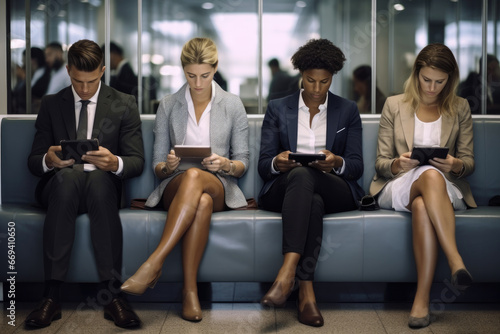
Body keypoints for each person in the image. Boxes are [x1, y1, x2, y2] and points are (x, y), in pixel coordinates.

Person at [120, 37, 249, 322]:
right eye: (191, 75)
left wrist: (226, 163)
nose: (198, 83)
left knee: (200, 184)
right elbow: (156, 166)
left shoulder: (232, 104)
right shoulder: (168, 104)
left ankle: (154, 263)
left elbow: (243, 162)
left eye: (204, 75)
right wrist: (168, 165)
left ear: (215, 69)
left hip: (219, 184)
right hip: (175, 185)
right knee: (198, 197)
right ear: (183, 70)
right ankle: (189, 291)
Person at [26, 39, 144, 329]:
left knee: (99, 181)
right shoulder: (53, 104)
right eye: (78, 81)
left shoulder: (123, 103)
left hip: (101, 187)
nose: (85, 89)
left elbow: (136, 161)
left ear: (103, 70)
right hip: (60, 186)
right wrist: (49, 160)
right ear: (68, 70)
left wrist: (113, 162)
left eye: (92, 81)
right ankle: (51, 296)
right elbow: (33, 160)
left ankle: (113, 296)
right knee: (68, 179)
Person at [258, 38, 364, 327]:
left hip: (335, 189)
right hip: (287, 189)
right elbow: (263, 166)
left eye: (324, 82)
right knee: (306, 186)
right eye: (310, 81)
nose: (316, 89)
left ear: (333, 78)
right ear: (300, 76)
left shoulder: (347, 110)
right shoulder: (278, 109)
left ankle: (286, 273)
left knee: (311, 181)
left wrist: (336, 162)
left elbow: (356, 167)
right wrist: (277, 163)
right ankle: (306, 293)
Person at [369, 43, 476, 329]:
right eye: (426, 79)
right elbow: (380, 162)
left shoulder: (460, 107)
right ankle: (455, 261)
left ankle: (421, 301)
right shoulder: (394, 104)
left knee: (423, 201)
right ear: (416, 74)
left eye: (439, 82)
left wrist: (454, 164)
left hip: (443, 186)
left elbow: (468, 162)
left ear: (450, 79)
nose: (431, 87)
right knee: (427, 176)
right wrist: (397, 164)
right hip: (400, 182)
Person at [11, 47, 51, 114]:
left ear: (33, 60)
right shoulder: (33, 75)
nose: (23, 65)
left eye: (24, 61)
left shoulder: (46, 76)